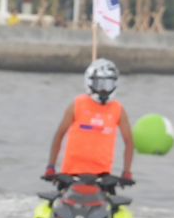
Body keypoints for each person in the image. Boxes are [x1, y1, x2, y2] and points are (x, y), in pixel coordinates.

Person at [44, 58, 135, 186]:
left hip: (102, 176)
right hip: (71, 174)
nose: (104, 90)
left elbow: (129, 142)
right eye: (99, 85)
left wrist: (127, 172)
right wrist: (51, 166)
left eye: (108, 85)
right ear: (90, 83)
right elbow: (59, 135)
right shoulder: (77, 104)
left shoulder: (118, 109)